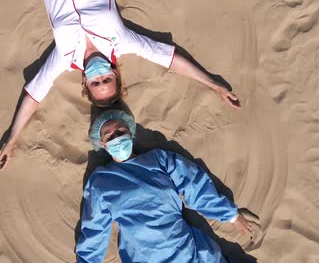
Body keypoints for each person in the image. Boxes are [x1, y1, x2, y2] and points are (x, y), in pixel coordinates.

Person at [0, 0, 240, 170]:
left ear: (85, 81)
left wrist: (13, 139)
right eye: (106, 79)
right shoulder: (121, 41)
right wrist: (213, 85)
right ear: (115, 73)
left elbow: (33, 96)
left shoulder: (65, 58)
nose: (99, 75)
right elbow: (169, 58)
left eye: (96, 82)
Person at [75, 110, 253, 262]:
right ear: (103, 144)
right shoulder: (101, 181)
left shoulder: (159, 159)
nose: (117, 138)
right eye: (110, 136)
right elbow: (94, 229)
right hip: (143, 254)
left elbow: (194, 183)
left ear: (130, 132)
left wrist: (230, 215)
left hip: (184, 247)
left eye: (120, 131)